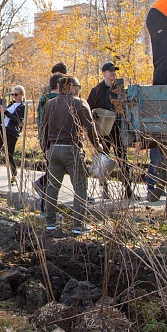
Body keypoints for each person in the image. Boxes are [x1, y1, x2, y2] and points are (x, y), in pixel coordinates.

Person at [41, 76, 103, 234]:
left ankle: (50, 223)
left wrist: (46, 147)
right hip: (72, 149)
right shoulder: (80, 103)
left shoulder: (50, 104)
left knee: (52, 187)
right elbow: (90, 127)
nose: (79, 90)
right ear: (70, 86)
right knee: (80, 187)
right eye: (78, 86)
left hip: (54, 149)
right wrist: (97, 145)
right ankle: (78, 226)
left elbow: (44, 128)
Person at [87, 62, 135, 200]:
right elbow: (89, 109)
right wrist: (95, 118)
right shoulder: (96, 90)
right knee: (103, 159)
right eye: (110, 71)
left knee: (123, 159)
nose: (113, 73)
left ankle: (128, 190)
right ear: (104, 73)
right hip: (103, 130)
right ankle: (104, 189)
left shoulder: (119, 90)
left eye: (114, 71)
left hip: (118, 129)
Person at [34, 72, 66, 199]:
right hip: (52, 140)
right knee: (54, 170)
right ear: (58, 84)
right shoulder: (53, 101)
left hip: (48, 139)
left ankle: (44, 189)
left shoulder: (45, 99)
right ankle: (43, 189)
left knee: (54, 168)